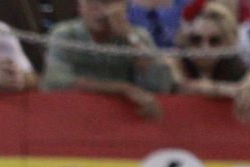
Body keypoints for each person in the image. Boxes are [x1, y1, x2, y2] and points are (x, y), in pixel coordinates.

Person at [41, 0, 176, 120]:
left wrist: (130, 38)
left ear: (124, 6)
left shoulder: (138, 36)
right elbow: (55, 82)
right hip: (76, 119)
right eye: (92, 2)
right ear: (80, 6)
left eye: (109, 2)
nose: (101, 10)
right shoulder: (64, 35)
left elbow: (161, 85)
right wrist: (122, 88)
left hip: (127, 121)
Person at [173, 2, 250, 123]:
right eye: (196, 39)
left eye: (214, 41)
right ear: (187, 40)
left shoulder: (231, 62)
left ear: (227, 43)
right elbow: (179, 84)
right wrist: (225, 90)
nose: (204, 48)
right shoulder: (176, 60)